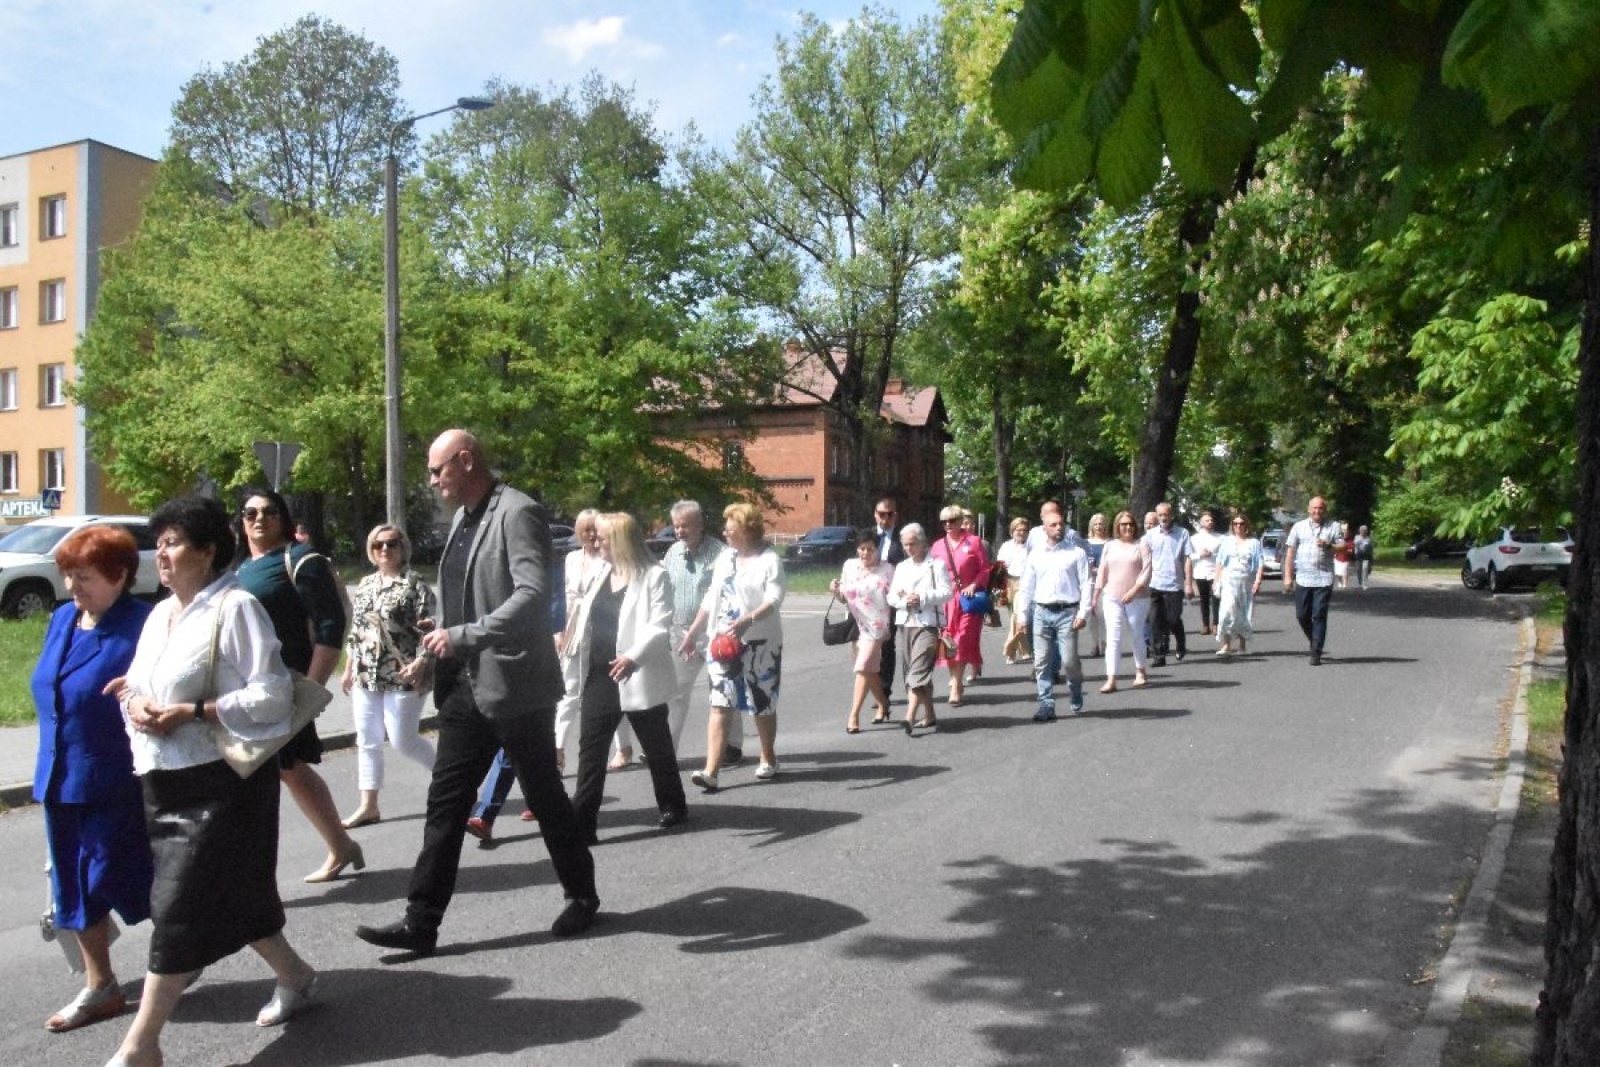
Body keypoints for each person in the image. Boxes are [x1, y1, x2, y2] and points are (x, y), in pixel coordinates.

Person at [356, 429, 599, 956]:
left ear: (465, 461)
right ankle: (421, 922)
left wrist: (464, 634)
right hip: (464, 687)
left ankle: (582, 894)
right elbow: (462, 599)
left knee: (545, 797)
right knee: (445, 805)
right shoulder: (464, 519)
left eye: (437, 469)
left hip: (515, 687)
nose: (431, 480)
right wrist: (434, 645)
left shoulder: (517, 512)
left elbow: (532, 596)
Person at [107, 496, 316, 1067]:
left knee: (177, 907)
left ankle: (141, 1045)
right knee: (234, 894)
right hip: (162, 780)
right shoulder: (159, 614)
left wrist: (195, 712)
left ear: (207, 551)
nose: (161, 554)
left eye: (173, 543)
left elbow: (273, 695)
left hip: (222, 784)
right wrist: (135, 701)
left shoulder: (237, 606)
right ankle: (295, 974)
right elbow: (141, 686)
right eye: (159, 544)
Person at [31, 525, 153, 1035]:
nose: (72, 586)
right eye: (68, 575)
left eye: (84, 577)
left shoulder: (143, 625)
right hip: (59, 777)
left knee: (128, 876)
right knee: (74, 884)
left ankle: (182, 955)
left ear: (119, 576)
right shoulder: (63, 619)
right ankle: (101, 985)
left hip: (117, 780)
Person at [233, 488, 360, 884]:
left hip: (286, 687)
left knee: (276, 769)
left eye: (269, 511)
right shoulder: (239, 568)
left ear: (283, 517)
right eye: (250, 513)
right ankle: (340, 844)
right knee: (288, 768)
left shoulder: (300, 559)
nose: (259, 518)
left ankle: (254, 874)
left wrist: (310, 690)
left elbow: (330, 627)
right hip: (246, 687)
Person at [567, 513, 688, 841]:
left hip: (637, 674)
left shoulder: (654, 576)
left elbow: (659, 624)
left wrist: (633, 657)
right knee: (591, 750)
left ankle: (673, 804)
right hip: (600, 675)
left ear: (620, 542)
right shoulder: (600, 571)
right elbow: (582, 613)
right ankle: (583, 823)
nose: (596, 543)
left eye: (602, 538)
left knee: (657, 746)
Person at [680, 503, 785, 791]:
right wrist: (692, 633)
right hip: (723, 643)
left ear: (747, 530)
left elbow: (774, 599)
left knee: (761, 703)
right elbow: (711, 597)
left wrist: (747, 621)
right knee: (720, 703)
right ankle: (711, 771)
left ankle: (768, 756)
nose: (724, 532)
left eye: (730, 527)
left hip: (760, 642)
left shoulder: (769, 560)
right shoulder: (725, 557)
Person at [339, 524, 437, 828]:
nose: (384, 549)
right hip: (366, 673)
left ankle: (452, 781)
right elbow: (357, 630)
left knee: (402, 740)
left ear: (402, 547)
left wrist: (421, 662)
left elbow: (431, 629)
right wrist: (348, 667)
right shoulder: (366, 583)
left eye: (391, 543)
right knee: (367, 739)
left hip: (402, 673)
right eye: (378, 544)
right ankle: (368, 806)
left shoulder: (415, 584)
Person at [660, 500, 739, 762]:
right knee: (676, 691)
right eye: (676, 526)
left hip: (715, 630)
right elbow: (664, 589)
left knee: (723, 687)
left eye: (685, 526)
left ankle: (732, 744)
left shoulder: (720, 553)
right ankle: (666, 748)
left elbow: (725, 593)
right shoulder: (672, 553)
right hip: (680, 631)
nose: (679, 531)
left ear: (700, 524)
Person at [1015, 510, 1093, 720]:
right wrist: (1022, 616)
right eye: (1054, 525)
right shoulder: (1036, 555)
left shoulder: (1076, 553)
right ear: (1045, 529)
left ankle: (1075, 687)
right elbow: (1026, 587)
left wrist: (1083, 613)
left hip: (1068, 612)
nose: (1059, 528)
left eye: (1061, 524)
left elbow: (1087, 583)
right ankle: (1046, 703)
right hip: (1041, 611)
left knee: (1069, 662)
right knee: (1041, 661)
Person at [887, 523, 952, 733]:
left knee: (917, 671)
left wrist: (922, 598)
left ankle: (909, 717)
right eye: (905, 545)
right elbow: (891, 596)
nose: (909, 548)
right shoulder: (902, 567)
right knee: (911, 672)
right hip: (906, 624)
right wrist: (905, 601)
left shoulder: (936, 565)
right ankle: (930, 714)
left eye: (912, 544)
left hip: (928, 625)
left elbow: (947, 592)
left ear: (923, 543)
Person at [830, 531, 895, 732]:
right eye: (862, 548)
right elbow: (844, 597)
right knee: (870, 671)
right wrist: (835, 591)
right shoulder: (849, 566)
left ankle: (854, 715)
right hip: (856, 625)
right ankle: (883, 703)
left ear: (877, 550)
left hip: (877, 626)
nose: (865, 553)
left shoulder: (887, 569)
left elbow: (895, 597)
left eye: (870, 549)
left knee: (862, 666)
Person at [556, 509, 606, 770]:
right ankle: (557, 751)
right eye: (587, 530)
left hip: (601, 633)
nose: (592, 535)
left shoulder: (609, 559)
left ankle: (624, 747)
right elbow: (565, 597)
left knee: (606, 690)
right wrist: (559, 631)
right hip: (574, 632)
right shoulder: (572, 559)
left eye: (595, 529)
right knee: (569, 692)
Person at [929, 504, 990, 705]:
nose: (948, 525)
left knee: (962, 639)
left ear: (960, 522)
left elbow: (985, 569)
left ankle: (956, 684)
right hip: (945, 600)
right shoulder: (937, 546)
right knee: (948, 642)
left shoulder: (973, 542)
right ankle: (954, 677)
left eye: (952, 521)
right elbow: (931, 573)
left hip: (967, 599)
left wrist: (974, 584)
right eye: (944, 522)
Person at [1092, 510, 1152, 692]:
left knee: (1136, 633)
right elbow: (1102, 572)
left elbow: (1147, 571)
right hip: (1112, 596)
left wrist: (1134, 591)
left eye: (1130, 524)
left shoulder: (1141, 545)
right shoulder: (1110, 546)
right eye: (1123, 524)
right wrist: (1095, 596)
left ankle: (1140, 671)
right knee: (1113, 636)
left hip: (1137, 597)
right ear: (1117, 526)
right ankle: (1111, 678)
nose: (1127, 527)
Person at [1283, 496, 1343, 666]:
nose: (1317, 511)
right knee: (1302, 615)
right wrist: (1288, 576)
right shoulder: (1299, 526)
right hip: (1303, 578)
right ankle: (1315, 640)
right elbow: (1290, 552)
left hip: (1323, 578)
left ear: (1325, 510)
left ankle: (1316, 652)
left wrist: (1328, 545)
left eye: (1320, 508)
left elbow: (1342, 547)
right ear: (1309, 509)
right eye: (1314, 508)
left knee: (1319, 614)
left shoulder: (1334, 526)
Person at [1141, 502, 1194, 667]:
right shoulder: (1150, 535)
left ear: (1172, 515)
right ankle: (1159, 655)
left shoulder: (1182, 533)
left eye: (1166, 514)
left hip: (1175, 584)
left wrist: (1189, 584)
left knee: (1172, 618)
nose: (1163, 518)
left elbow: (1187, 559)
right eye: (1160, 515)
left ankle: (1180, 642)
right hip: (1155, 583)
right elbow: (1143, 559)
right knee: (1155, 620)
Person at [868, 498, 907, 703]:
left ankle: (884, 691)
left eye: (890, 514)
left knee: (887, 644)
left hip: (892, 598)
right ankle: (874, 686)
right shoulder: (867, 536)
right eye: (881, 514)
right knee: (868, 645)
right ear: (875, 514)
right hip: (869, 600)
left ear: (895, 516)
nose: (885, 518)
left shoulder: (902, 539)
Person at [1215, 514, 1264, 655]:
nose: (1238, 526)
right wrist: (1216, 581)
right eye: (1235, 523)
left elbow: (1260, 563)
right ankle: (1226, 644)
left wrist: (1258, 581)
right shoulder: (1227, 541)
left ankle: (1242, 646)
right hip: (1228, 580)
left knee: (1244, 612)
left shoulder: (1253, 543)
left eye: (1241, 523)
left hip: (1246, 581)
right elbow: (1219, 562)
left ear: (1246, 525)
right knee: (1226, 611)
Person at [996, 516, 1032, 665]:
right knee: (1014, 616)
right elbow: (1000, 565)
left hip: (1025, 583)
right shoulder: (1006, 546)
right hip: (1009, 582)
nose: (1021, 533)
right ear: (1012, 531)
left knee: (1017, 616)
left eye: (1024, 530)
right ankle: (1025, 650)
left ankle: (1010, 650)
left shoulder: (1031, 547)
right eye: (1018, 530)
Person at [1189, 512, 1221, 636]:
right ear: (1201, 523)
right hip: (1200, 572)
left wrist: (1212, 554)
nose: (1210, 522)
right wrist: (1200, 555)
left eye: (1211, 520)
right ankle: (1205, 624)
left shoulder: (1220, 538)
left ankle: (1216, 624)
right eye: (1207, 520)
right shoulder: (1194, 539)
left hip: (1215, 572)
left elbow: (1224, 555)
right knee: (1204, 599)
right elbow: (1189, 556)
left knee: (1216, 598)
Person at [1084, 512, 1110, 657]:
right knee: (1091, 614)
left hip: (1105, 583)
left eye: (1101, 524)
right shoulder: (1086, 543)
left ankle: (1104, 643)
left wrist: (1101, 570)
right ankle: (1094, 644)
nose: (1098, 527)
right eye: (1096, 524)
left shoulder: (1110, 543)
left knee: (1103, 614)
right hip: (1089, 582)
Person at [1353, 524, 1375, 589]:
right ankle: (1360, 580)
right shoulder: (1357, 537)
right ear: (1359, 531)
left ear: (1366, 531)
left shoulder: (1368, 539)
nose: (1363, 531)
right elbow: (1355, 544)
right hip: (1358, 556)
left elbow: (1371, 548)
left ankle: (1364, 584)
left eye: (1364, 530)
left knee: (1365, 569)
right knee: (1358, 569)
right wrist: (1361, 540)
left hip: (1366, 556)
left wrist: (1372, 555)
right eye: (1361, 530)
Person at [1333, 522, 1352, 588]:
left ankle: (1345, 584)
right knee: (1339, 573)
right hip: (1338, 558)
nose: (1345, 534)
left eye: (1346, 533)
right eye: (1344, 533)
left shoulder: (1350, 541)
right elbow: (1334, 547)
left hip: (1346, 559)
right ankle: (1340, 581)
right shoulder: (1338, 540)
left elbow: (1351, 550)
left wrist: (1347, 551)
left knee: (1345, 572)